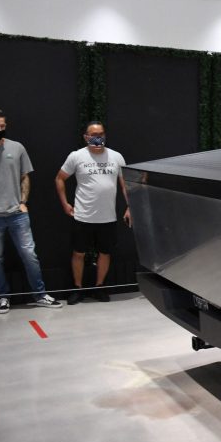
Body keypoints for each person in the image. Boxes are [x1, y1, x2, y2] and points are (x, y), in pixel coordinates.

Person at [0, 108, 64, 313]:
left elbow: (25, 176)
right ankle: (2, 297)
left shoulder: (17, 148)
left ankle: (40, 295)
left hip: (17, 214)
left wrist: (23, 201)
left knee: (29, 255)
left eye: (2, 126)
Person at [55, 121, 130, 304]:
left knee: (105, 253)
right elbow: (59, 178)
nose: (98, 137)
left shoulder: (116, 157)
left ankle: (99, 287)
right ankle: (78, 289)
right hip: (83, 216)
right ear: (86, 137)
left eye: (101, 134)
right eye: (94, 134)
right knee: (79, 253)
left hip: (108, 217)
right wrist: (65, 203)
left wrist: (130, 207)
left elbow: (125, 185)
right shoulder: (77, 156)